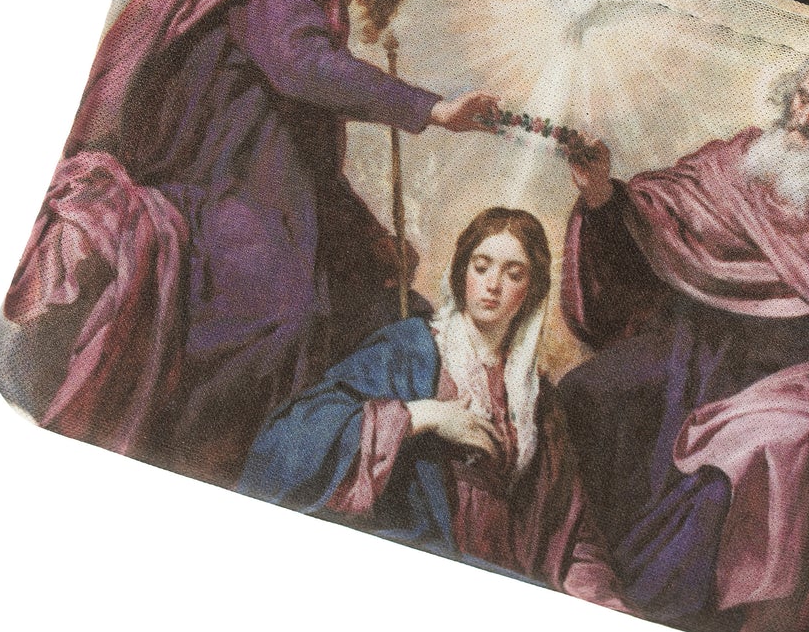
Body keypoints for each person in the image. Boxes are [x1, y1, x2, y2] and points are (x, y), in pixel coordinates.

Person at [0, 0, 500, 485]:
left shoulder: (317, 5)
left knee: (367, 295)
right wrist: (432, 109)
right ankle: (181, 455)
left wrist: (369, 236)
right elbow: (303, 68)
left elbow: (311, 158)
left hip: (259, 193)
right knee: (281, 312)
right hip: (209, 185)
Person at [554, 54, 809, 632]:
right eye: (803, 99)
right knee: (588, 391)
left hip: (786, 373)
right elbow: (653, 220)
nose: (806, 118)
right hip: (690, 345)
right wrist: (603, 195)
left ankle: (667, 618)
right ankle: (588, 564)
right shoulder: (735, 160)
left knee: (721, 475)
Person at [236, 207, 576, 582]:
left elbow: (571, 530)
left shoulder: (535, 397)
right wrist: (421, 416)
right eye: (481, 267)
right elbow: (287, 439)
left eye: (513, 274)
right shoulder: (410, 348)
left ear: (532, 290)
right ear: (462, 271)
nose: (493, 284)